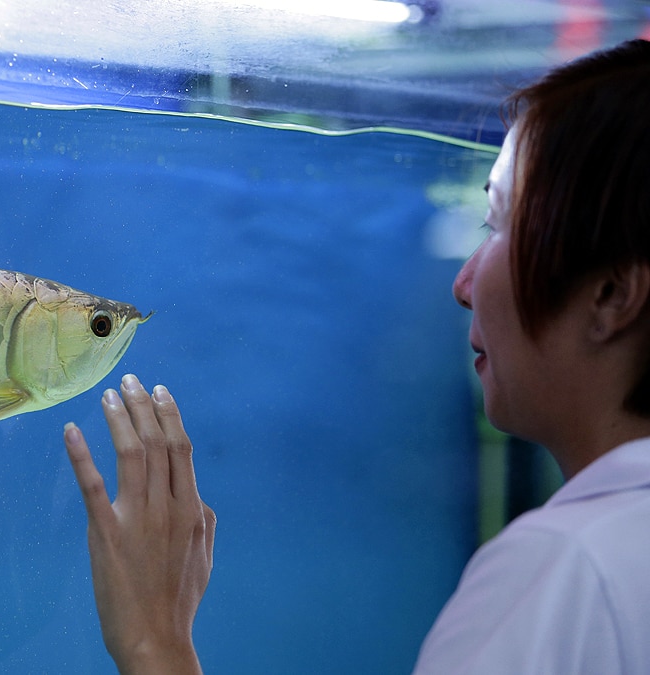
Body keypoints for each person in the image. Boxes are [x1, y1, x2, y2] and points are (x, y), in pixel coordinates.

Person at [62, 39, 650, 674]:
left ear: (612, 294)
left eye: (501, 224)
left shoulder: (563, 576)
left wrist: (154, 641)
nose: (463, 284)